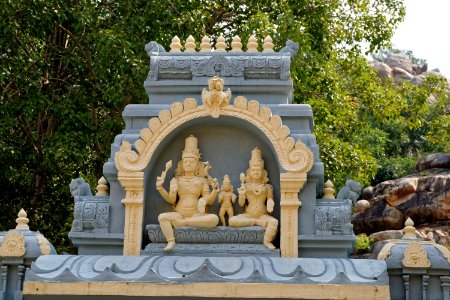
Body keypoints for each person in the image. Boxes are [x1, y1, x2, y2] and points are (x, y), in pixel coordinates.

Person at [156, 135, 219, 251]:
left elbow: (208, 200)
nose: (188, 163)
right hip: (179, 212)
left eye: (191, 161)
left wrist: (214, 191)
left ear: (198, 164)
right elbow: (171, 200)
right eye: (186, 161)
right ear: (182, 163)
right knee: (162, 217)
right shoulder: (176, 180)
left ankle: (184, 223)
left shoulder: (202, 180)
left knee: (214, 219)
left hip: (196, 214)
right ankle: (170, 240)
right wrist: (160, 188)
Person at [228, 147, 278, 249]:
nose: (256, 172)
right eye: (253, 170)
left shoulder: (267, 187)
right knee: (232, 221)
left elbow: (270, 199)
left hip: (262, 215)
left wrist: (270, 203)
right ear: (249, 172)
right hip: (249, 215)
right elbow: (241, 204)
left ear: (263, 172)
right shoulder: (245, 186)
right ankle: (255, 222)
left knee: (274, 222)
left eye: (258, 170)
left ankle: (267, 241)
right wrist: (241, 194)